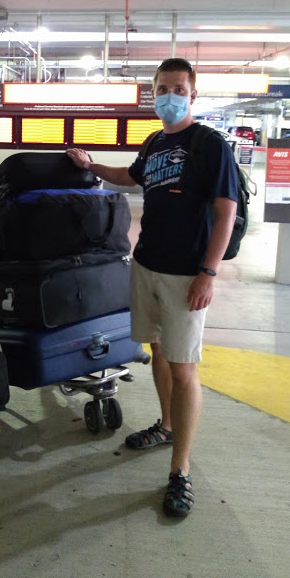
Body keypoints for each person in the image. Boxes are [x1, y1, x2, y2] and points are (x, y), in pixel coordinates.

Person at [67, 58, 238, 518]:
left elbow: (226, 212)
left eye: (178, 88)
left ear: (193, 94)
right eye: (163, 88)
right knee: (158, 350)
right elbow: (131, 176)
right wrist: (91, 165)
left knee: (184, 368)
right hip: (147, 265)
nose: (170, 95)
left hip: (187, 273)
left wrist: (209, 273)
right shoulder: (155, 141)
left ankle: (180, 470)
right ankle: (166, 426)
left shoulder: (209, 144)